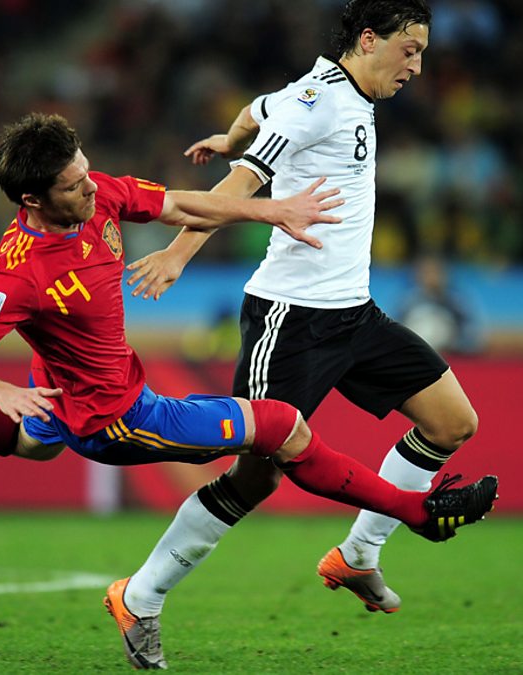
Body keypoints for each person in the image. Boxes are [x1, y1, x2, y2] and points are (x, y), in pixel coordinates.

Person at [0, 112, 498, 669]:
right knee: (282, 428)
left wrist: (270, 211)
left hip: (69, 390)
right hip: (116, 417)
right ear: (33, 198)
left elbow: (181, 203)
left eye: (87, 171)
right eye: (73, 184)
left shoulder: (97, 196)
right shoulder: (20, 272)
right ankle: (417, 511)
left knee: (32, 442)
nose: (91, 187)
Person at [118, 0, 482, 658]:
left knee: (452, 421)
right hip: (290, 319)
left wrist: (229, 135)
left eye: (422, 53)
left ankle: (357, 553)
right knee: (256, 474)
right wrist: (176, 253)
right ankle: (141, 593)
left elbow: (254, 117)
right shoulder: (319, 101)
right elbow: (242, 181)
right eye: (410, 50)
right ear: (370, 39)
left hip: (355, 314)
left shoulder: (321, 92)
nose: (417, 67)